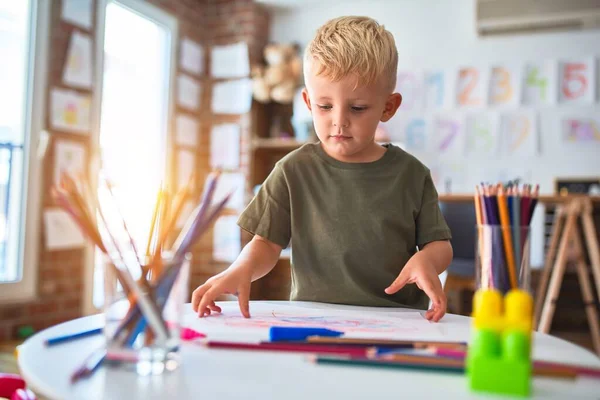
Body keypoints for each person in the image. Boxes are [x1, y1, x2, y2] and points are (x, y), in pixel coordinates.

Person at [192, 16, 453, 322]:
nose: (338, 121)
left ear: (388, 107)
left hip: (397, 320)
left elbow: (440, 245)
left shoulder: (412, 175)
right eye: (325, 106)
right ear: (307, 101)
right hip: (313, 320)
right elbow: (265, 243)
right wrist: (241, 269)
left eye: (357, 108)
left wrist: (427, 260)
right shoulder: (292, 171)